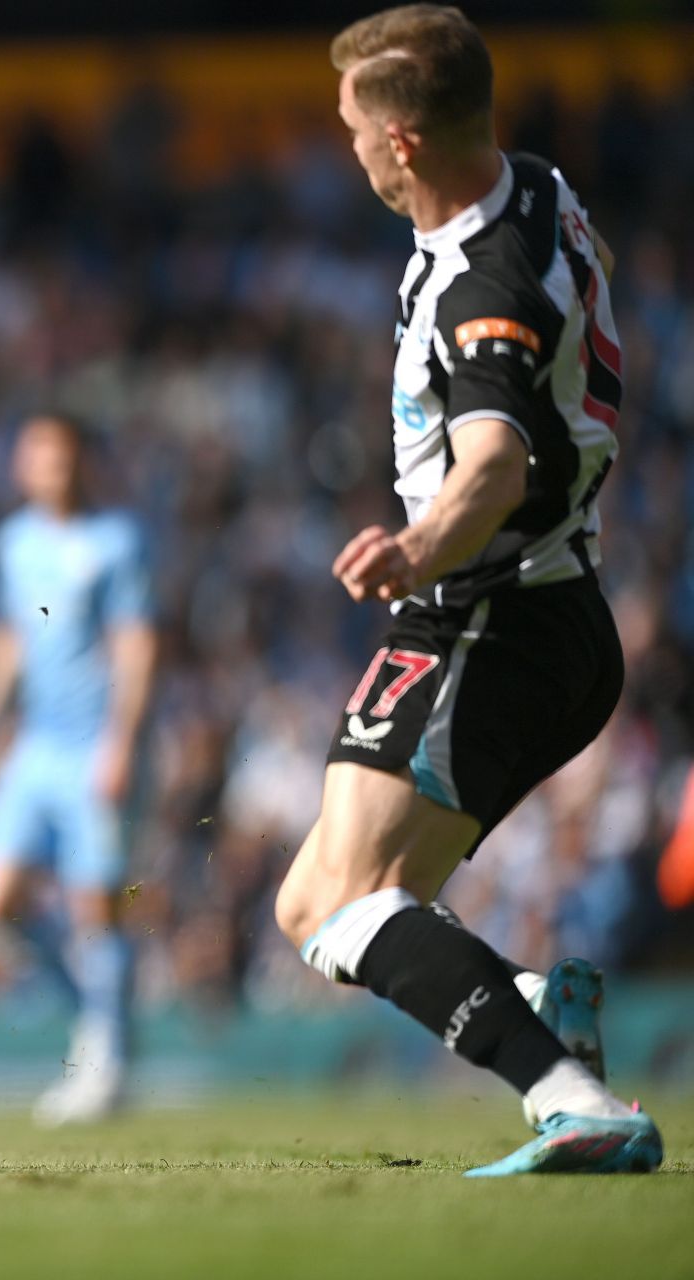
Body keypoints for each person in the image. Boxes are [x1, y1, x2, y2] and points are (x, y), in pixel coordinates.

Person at [273, 5, 661, 1175]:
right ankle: (546, 1007)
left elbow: (492, 458)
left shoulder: (482, 288)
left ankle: (569, 1096)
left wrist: (419, 541)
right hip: (546, 603)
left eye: (353, 127)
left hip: (492, 612)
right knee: (317, 904)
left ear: (401, 141)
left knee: (344, 902)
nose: (344, 146)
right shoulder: (527, 187)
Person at [0, 414, 155, 1125]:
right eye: (34, 455)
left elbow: (134, 644)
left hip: (97, 741)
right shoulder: (15, 543)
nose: (47, 468)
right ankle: (95, 1020)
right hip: (37, 744)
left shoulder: (117, 541)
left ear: (82, 462)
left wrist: (123, 742)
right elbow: (10, 636)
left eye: (59, 456)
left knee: (94, 905)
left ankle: (109, 1055)